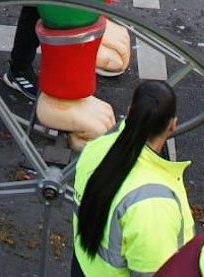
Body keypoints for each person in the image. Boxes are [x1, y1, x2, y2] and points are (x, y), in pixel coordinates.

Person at [73, 79, 190, 277]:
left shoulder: (96, 148)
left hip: (84, 266)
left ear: (129, 113)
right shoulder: (153, 203)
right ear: (172, 125)